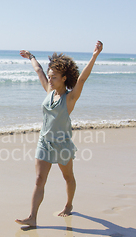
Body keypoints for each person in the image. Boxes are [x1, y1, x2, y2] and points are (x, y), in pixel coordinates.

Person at [15, 41, 103, 227]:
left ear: (64, 78)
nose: (50, 79)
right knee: (39, 179)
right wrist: (31, 57)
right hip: (44, 142)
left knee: (68, 177)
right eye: (50, 76)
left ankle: (69, 204)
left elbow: (82, 79)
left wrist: (94, 55)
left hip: (62, 144)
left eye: (54, 77)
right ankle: (32, 217)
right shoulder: (49, 90)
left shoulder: (70, 98)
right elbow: (39, 71)